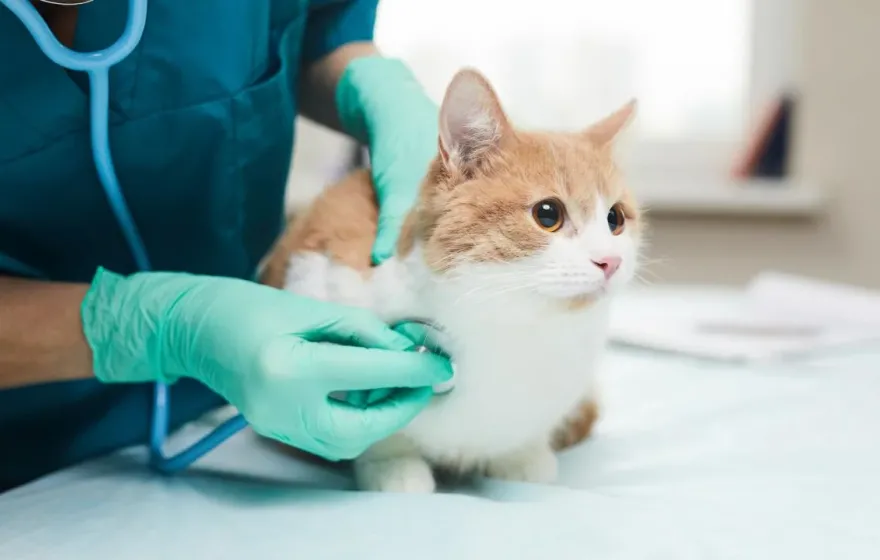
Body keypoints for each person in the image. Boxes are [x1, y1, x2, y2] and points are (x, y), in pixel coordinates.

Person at [0, 0, 453, 492]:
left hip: (233, 410)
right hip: (24, 455)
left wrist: (370, 84)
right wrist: (158, 328)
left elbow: (315, 25)